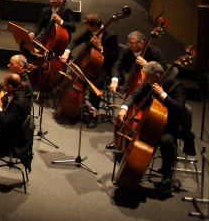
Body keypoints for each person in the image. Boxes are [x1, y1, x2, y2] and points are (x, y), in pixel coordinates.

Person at [117, 61, 187, 190]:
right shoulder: (150, 84)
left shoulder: (177, 86)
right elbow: (134, 94)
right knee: (131, 135)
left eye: (148, 77)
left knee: (165, 142)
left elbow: (179, 108)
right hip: (151, 123)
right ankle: (132, 168)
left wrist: (162, 94)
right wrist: (124, 108)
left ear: (158, 76)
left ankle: (167, 174)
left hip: (170, 125)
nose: (146, 80)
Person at [58, 12, 118, 117]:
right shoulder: (90, 31)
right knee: (70, 76)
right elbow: (75, 41)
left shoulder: (111, 36)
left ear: (94, 26)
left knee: (92, 86)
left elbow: (114, 56)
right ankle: (74, 105)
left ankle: (94, 115)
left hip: (102, 67)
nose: (86, 27)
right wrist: (66, 52)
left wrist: (101, 48)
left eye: (88, 25)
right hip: (87, 63)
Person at [109, 30, 164, 99]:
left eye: (132, 43)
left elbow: (162, 72)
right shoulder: (128, 50)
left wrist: (146, 65)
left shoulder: (156, 53)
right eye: (128, 42)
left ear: (141, 43)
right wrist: (114, 81)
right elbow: (117, 65)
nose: (129, 45)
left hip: (150, 86)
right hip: (132, 84)